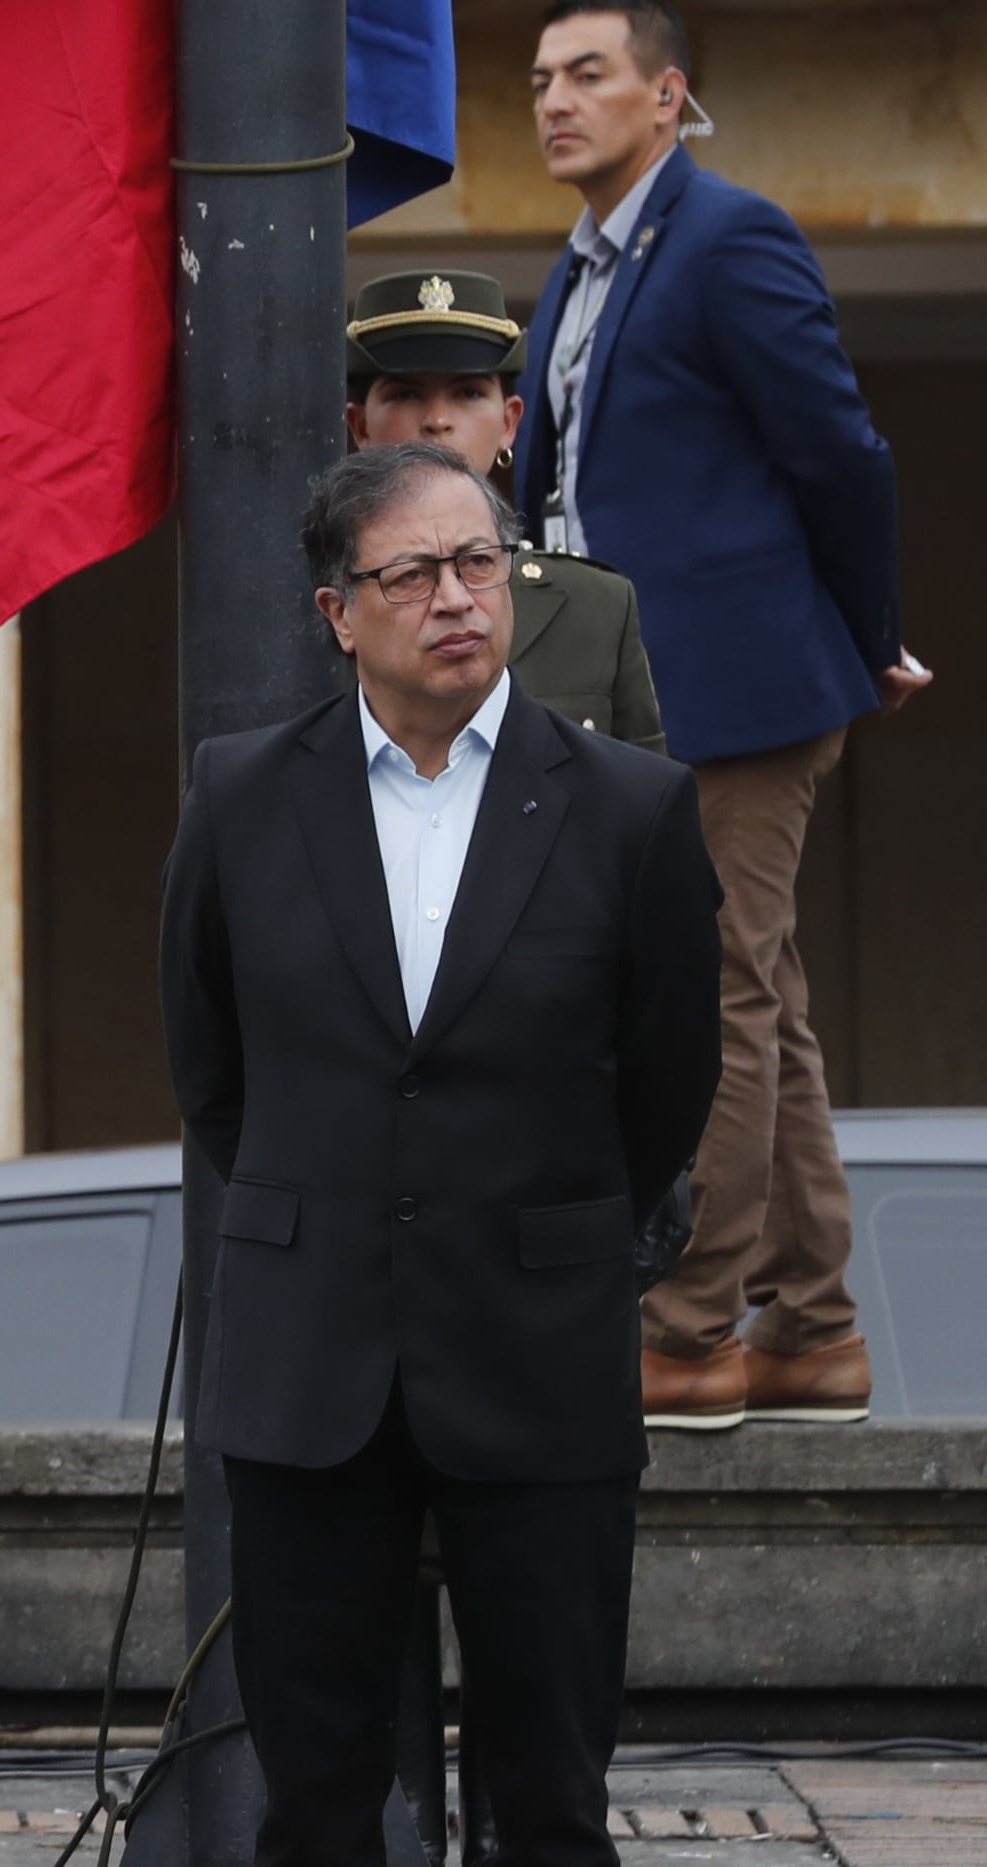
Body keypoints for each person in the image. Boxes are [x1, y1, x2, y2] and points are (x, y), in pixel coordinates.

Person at [159, 444, 722, 1865]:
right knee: (319, 1803)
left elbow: (670, 1077)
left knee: (549, 1803)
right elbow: (213, 1068)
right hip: (310, 1356)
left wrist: (554, 1222)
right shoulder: (240, 796)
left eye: (481, 563)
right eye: (413, 574)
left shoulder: (627, 807)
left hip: (538, 1343)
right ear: (339, 610)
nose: (459, 598)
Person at [518, 0, 932, 1429]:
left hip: (734, 690)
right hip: (618, 693)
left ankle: (690, 1331)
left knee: (711, 1000)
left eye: (588, 75)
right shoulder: (578, 269)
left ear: (665, 93)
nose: (556, 101)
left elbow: (843, 451)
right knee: (765, 996)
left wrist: (863, 637)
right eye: (542, 80)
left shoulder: (728, 236)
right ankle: (813, 1327)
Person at [346, 268, 664, 753]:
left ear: (510, 423)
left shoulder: (596, 608)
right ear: (360, 427)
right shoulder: (305, 607)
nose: (437, 421)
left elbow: (645, 815)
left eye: (468, 393)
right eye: (406, 394)